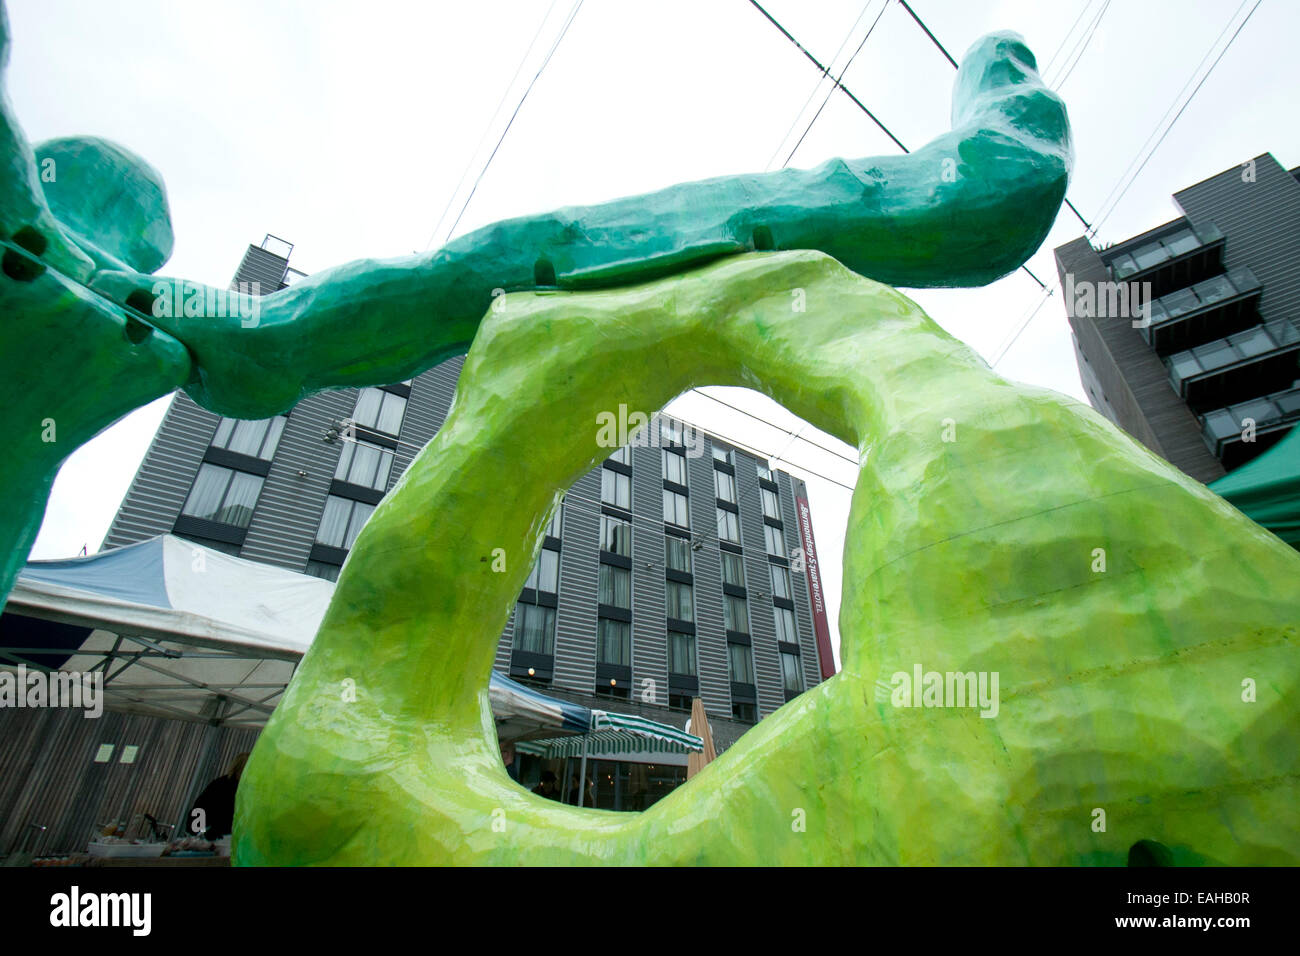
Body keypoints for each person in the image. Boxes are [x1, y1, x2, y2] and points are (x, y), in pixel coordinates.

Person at [189, 753, 249, 840]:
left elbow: (199, 809)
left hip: (220, 838)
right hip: (218, 839)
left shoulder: (219, 785)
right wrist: (200, 834)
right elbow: (200, 809)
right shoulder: (221, 786)